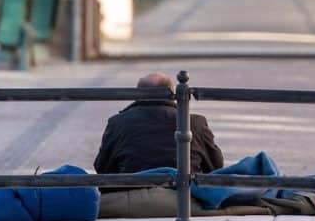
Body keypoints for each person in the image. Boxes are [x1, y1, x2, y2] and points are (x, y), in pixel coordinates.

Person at [94, 72, 224, 175]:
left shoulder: (117, 122)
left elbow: (102, 168)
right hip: (184, 197)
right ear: (173, 94)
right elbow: (215, 167)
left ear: (137, 94)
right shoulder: (195, 122)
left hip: (130, 196)